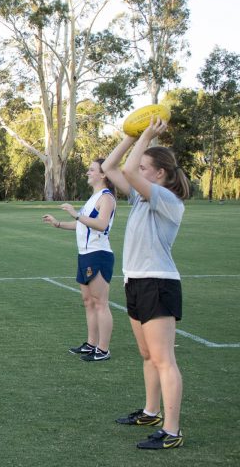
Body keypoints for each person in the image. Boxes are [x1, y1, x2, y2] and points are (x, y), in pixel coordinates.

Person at [102, 118, 190, 450]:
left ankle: (172, 431)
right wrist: (129, 136)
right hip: (136, 280)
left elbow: (127, 172)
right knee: (146, 354)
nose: (137, 169)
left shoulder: (166, 199)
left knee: (163, 358)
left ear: (160, 174)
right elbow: (113, 166)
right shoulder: (142, 198)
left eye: (144, 166)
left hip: (159, 283)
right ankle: (152, 412)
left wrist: (149, 136)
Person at [42, 159, 116, 360]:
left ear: (104, 175)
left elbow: (101, 225)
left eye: (92, 169)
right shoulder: (94, 197)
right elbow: (83, 225)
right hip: (84, 255)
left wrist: (75, 214)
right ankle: (91, 344)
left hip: (98, 254)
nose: (87, 172)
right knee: (88, 302)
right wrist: (57, 224)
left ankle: (103, 349)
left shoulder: (106, 198)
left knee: (100, 303)